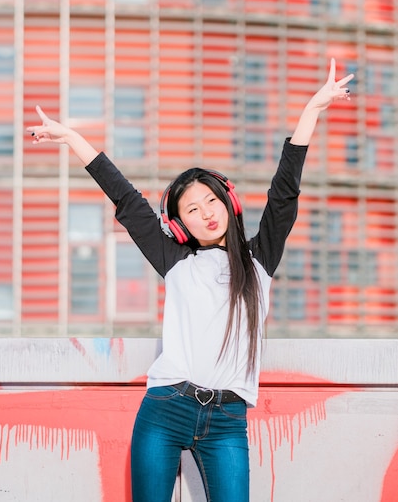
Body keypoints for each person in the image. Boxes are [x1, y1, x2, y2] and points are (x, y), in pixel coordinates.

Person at [27, 58, 353, 502]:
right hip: (165, 410)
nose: (206, 212)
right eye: (192, 210)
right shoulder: (174, 259)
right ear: (181, 226)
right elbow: (126, 200)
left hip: (228, 421)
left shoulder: (259, 261)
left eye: (210, 200)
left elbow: (284, 196)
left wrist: (311, 111)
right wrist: (71, 138)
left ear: (228, 202)